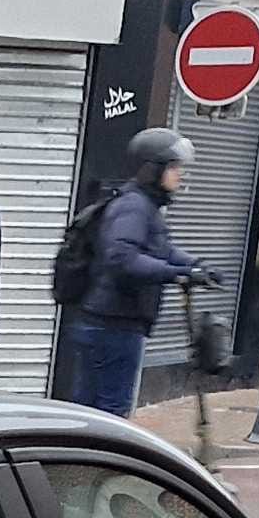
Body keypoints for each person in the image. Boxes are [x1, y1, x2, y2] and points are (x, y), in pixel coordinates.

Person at [59, 126, 213, 419]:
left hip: (108, 323)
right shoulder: (134, 207)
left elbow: (162, 250)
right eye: (173, 167)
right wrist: (176, 274)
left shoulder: (144, 207)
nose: (179, 174)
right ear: (152, 169)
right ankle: (97, 465)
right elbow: (122, 259)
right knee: (110, 415)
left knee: (91, 412)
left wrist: (196, 266)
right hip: (111, 327)